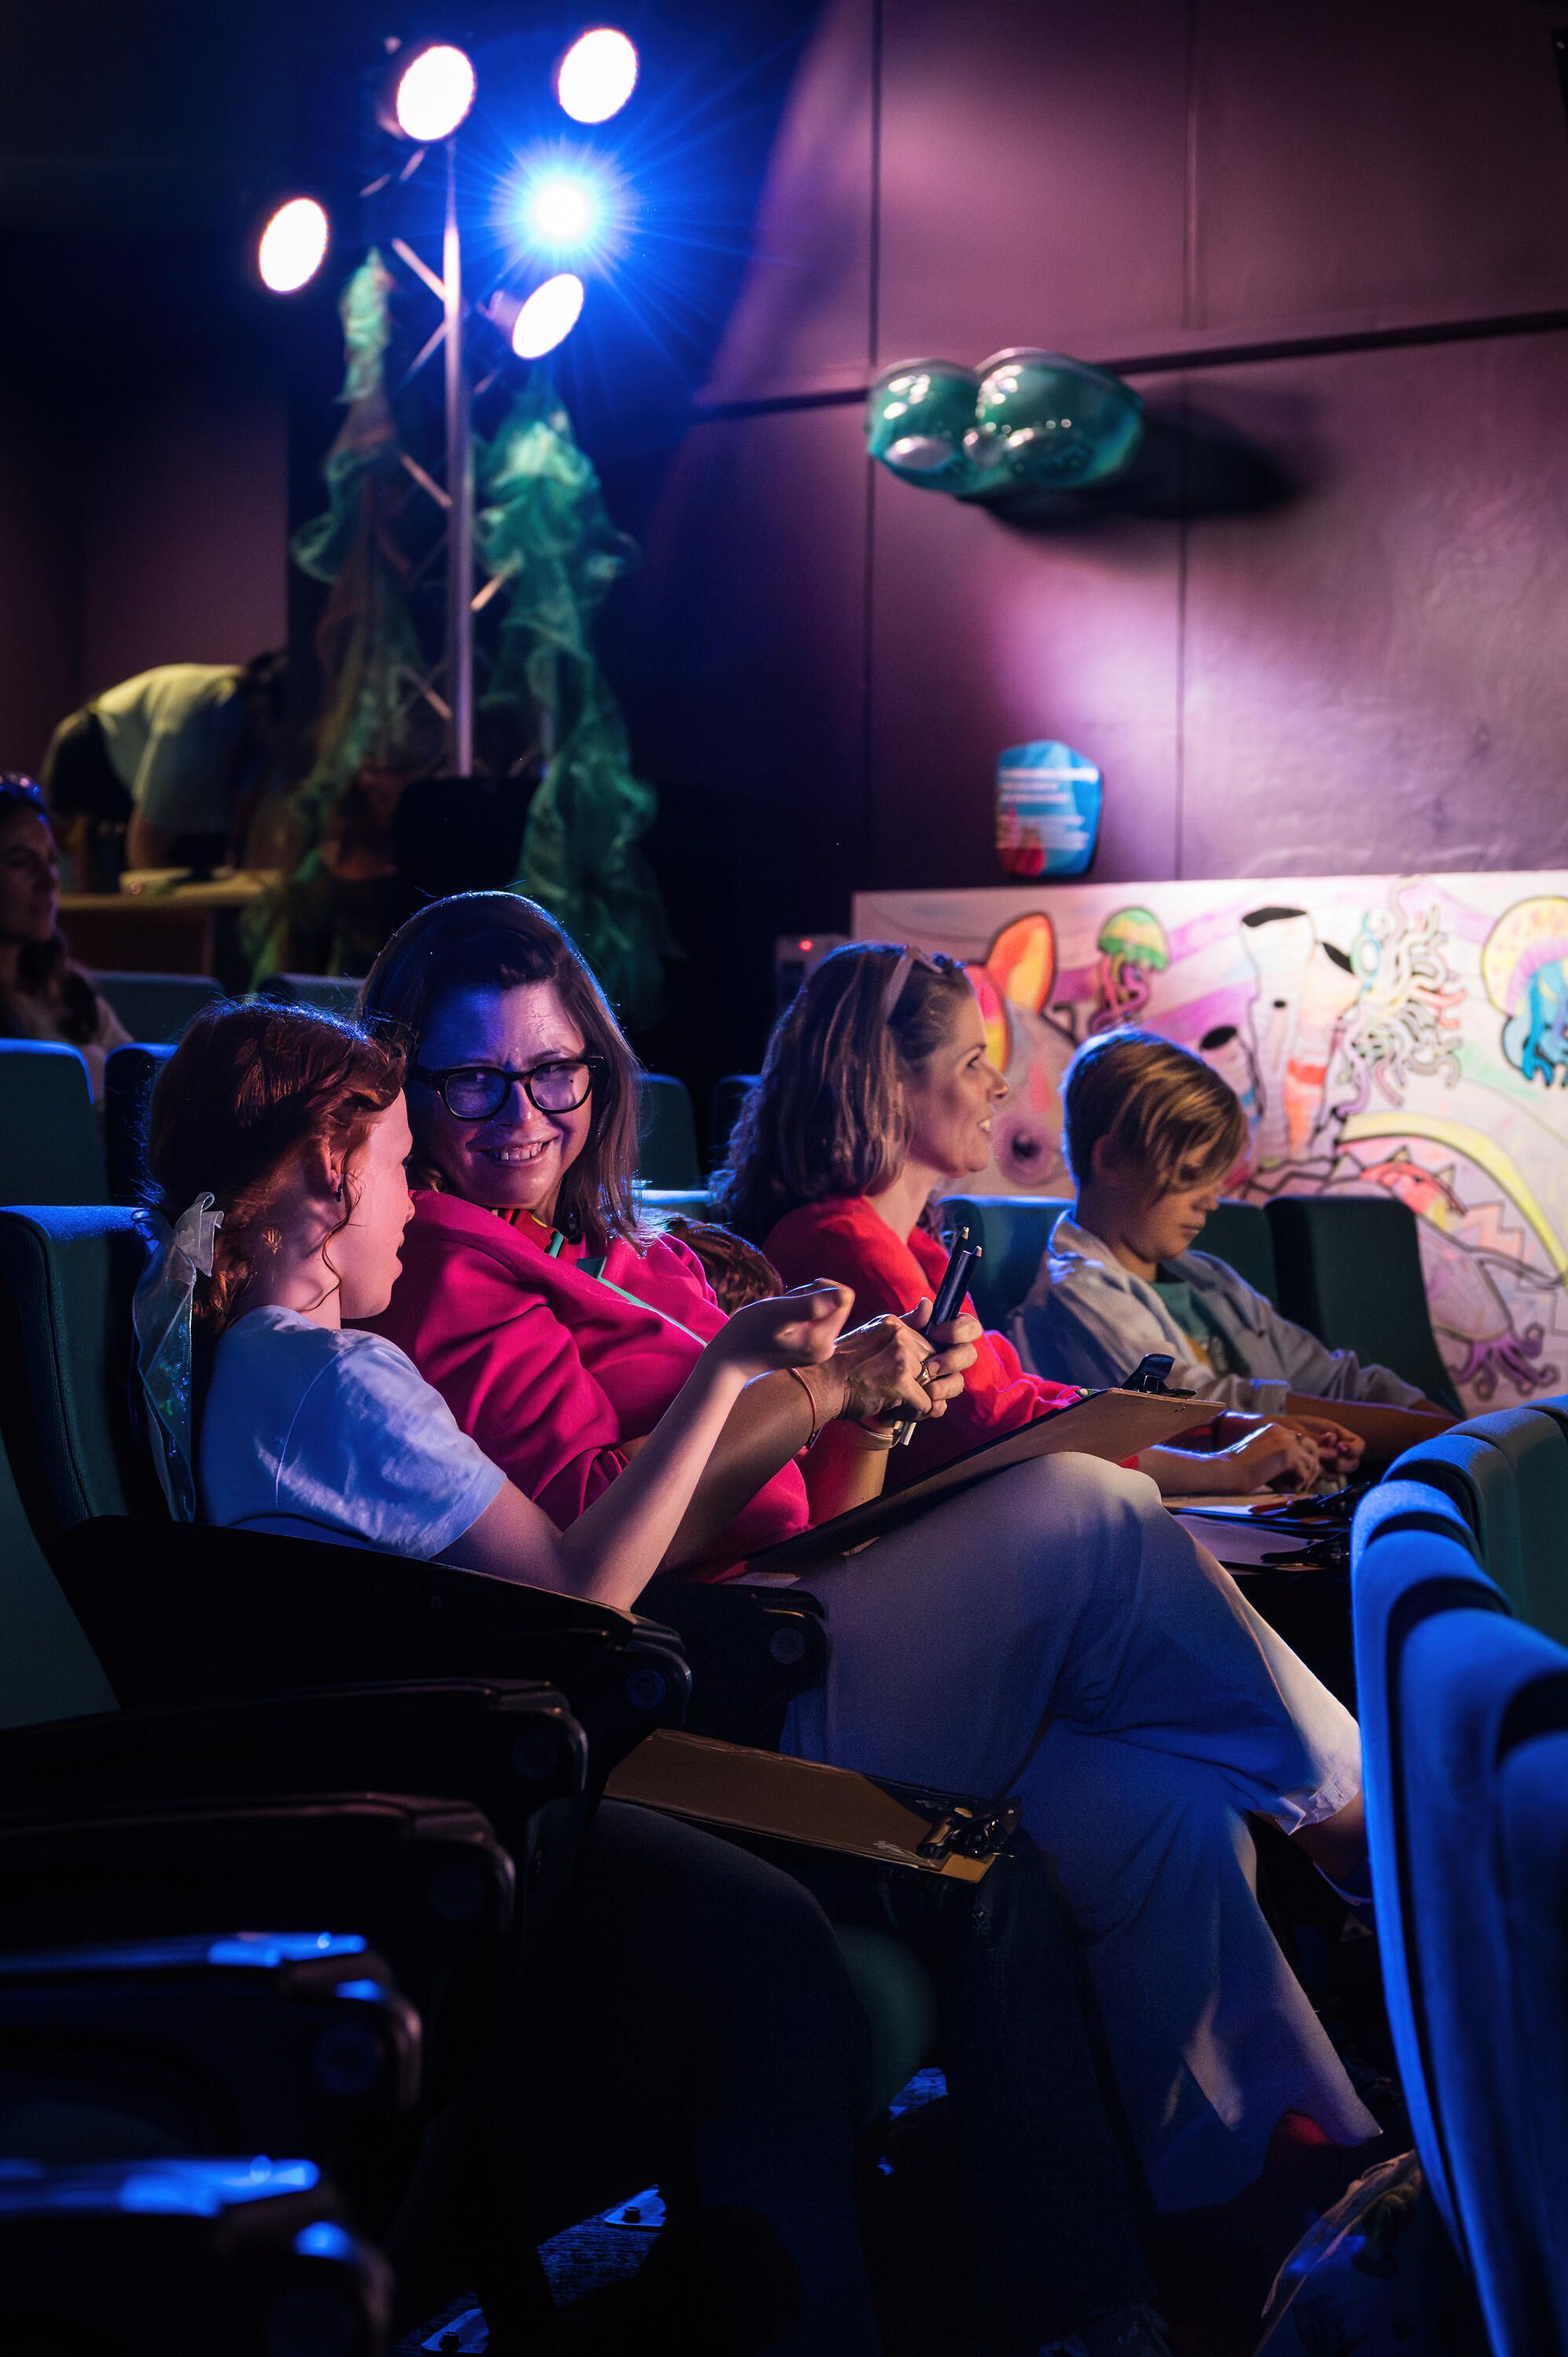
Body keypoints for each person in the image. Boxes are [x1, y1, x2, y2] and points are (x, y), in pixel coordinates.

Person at [138, 998, 1168, 2357]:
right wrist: (737, 1368)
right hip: (506, 1807)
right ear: (329, 1174)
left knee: (950, 1872)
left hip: (497, 1780)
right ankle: (1044, 2316)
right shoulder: (330, 1383)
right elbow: (579, 1588)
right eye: (397, 1161)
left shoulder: (279, 1372)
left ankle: (1034, 2308)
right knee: (842, 1924)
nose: (413, 1197)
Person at [355, 893, 1382, 2227]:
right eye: (474, 1081)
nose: (524, 1113)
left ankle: (1275, 2200)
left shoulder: (627, 1250)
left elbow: (810, 1507)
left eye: (554, 1070)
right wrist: (815, 1387)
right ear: (408, 1094)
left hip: (810, 1628)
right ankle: (1381, 1832)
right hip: (708, 1702)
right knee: (1087, 1513)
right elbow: (592, 1530)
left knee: (1151, 1809)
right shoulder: (447, 1266)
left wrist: (872, 1419)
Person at [721, 942, 1358, 1498]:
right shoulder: (843, 1241)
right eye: (973, 1062)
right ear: (889, 1083)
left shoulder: (915, 1247)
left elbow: (1026, 1392)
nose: (999, 1085)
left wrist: (1221, 1428)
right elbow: (996, 1430)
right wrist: (1223, 1467)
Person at [1011, 1028, 1455, 1444]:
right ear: (1109, 1161)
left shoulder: (1211, 1279)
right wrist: (1427, 1436)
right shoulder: (1073, 1293)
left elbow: (1333, 1379)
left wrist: (1460, 1435)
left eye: (1215, 1181)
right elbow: (1193, 1406)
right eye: (1189, 1175)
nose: (1211, 1203)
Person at [41, 654, 285, 875]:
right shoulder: (192, 726)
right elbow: (144, 851)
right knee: (51, 852)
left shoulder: (253, 735)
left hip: (136, 762)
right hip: (89, 747)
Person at [0, 772, 129, 1096]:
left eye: (51, 860)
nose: (49, 879)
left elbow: (151, 1090)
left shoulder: (71, 993)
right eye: (21, 861)